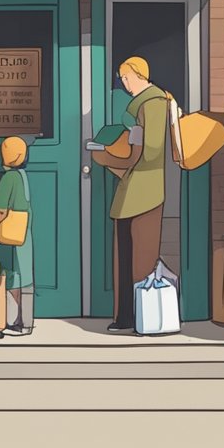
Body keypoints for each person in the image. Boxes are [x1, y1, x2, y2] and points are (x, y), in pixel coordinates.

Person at [92, 57, 169, 333]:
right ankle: (125, 316)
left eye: (127, 77)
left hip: (145, 193)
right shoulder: (142, 104)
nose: (124, 83)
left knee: (138, 260)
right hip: (131, 191)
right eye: (121, 78)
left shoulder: (154, 103)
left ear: (139, 74)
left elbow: (150, 152)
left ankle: (140, 318)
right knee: (124, 259)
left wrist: (112, 156)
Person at [0, 137, 35, 336]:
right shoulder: (22, 175)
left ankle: (13, 322)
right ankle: (24, 321)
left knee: (12, 277)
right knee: (24, 274)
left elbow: (0, 213)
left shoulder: (8, 178)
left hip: (10, 232)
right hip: (23, 232)